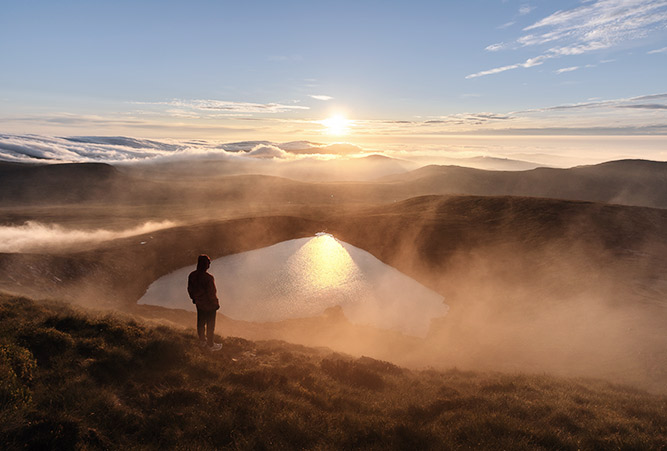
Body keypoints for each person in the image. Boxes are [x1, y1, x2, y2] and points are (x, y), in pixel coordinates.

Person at [188, 254, 222, 351]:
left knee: (200, 323)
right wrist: (216, 304)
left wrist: (194, 299)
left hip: (199, 304)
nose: (209, 265)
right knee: (210, 325)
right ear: (205, 264)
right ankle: (210, 345)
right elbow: (211, 293)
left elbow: (190, 289)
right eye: (208, 263)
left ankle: (202, 341)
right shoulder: (208, 278)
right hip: (210, 305)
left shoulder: (192, 275)